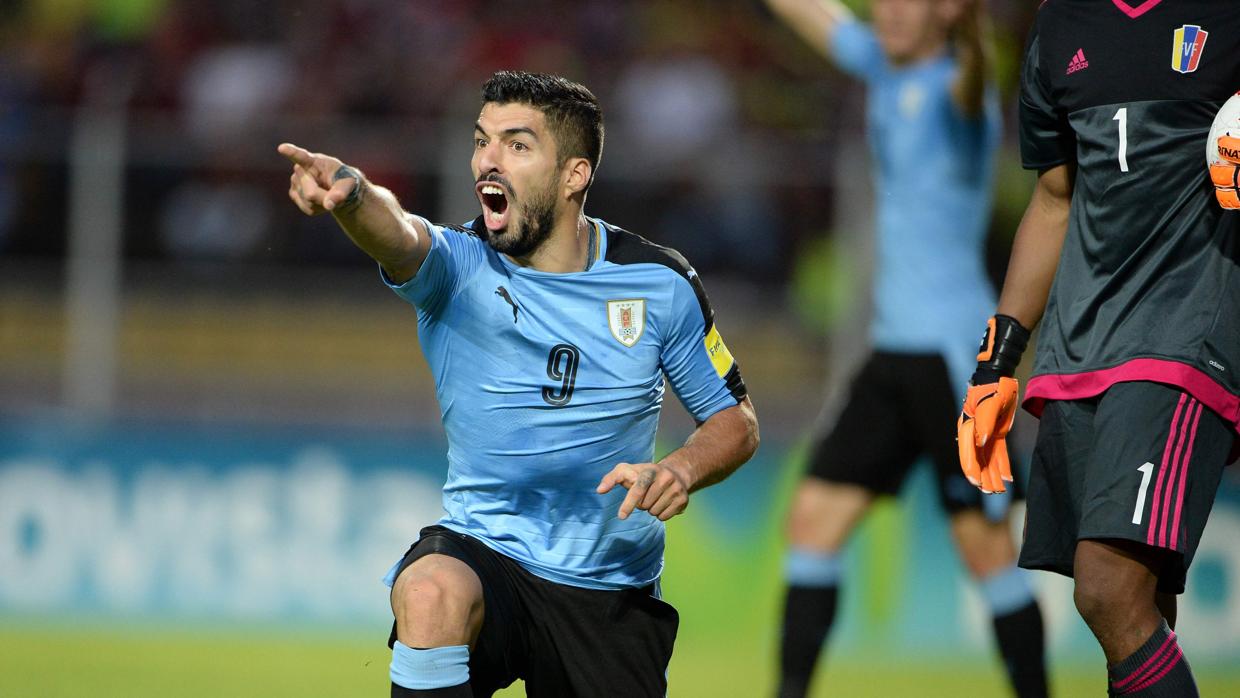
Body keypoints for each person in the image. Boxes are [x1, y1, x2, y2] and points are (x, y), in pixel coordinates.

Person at [278, 71, 759, 697]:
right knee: (428, 591)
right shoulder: (457, 265)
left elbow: (735, 421)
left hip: (607, 589)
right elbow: (398, 232)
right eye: (483, 141)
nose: (488, 162)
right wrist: (353, 195)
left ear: (574, 176)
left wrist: (680, 470)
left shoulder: (659, 283)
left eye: (517, 145)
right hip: (488, 553)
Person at [763, 1, 1048, 696]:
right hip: (892, 355)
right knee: (812, 522)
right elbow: (823, 20)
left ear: (947, 13)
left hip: (956, 362)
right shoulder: (887, 69)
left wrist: (971, 33)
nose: (887, 12)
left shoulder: (963, 92)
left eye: (908, 3)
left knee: (984, 551)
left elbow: (976, 78)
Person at [958, 2, 1240, 696]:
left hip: (1182, 335)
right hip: (1079, 348)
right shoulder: (1060, 27)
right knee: (1142, 611)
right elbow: (1055, 199)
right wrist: (996, 363)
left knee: (1106, 589)